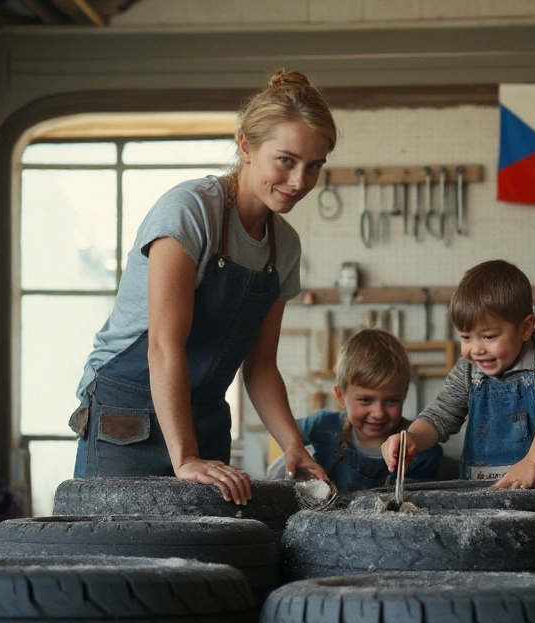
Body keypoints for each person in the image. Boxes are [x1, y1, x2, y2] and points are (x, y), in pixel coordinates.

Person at [70, 69, 337, 505]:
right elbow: (163, 346)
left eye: (314, 167)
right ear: (245, 146)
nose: (299, 182)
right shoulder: (189, 212)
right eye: (286, 160)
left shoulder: (283, 246)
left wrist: (293, 444)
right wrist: (185, 457)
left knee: (197, 564)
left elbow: (261, 366)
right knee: (119, 559)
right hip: (127, 416)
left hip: (204, 417)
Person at [383, 260, 535, 509]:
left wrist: (533, 462)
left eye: (489, 336)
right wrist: (411, 438)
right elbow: (439, 416)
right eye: (466, 337)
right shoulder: (469, 370)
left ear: (525, 327)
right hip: (482, 504)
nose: (477, 349)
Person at [279, 328, 442, 493]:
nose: (378, 413)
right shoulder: (323, 425)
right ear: (340, 396)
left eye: (392, 401)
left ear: (404, 395)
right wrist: (291, 449)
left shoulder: (420, 449)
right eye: (365, 400)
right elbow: (282, 429)